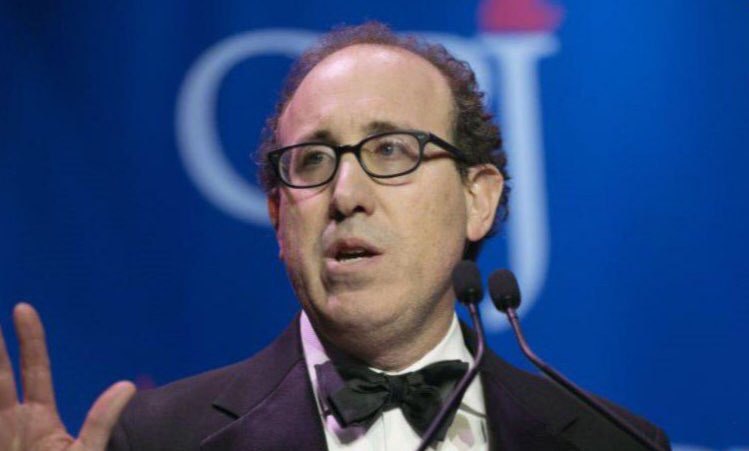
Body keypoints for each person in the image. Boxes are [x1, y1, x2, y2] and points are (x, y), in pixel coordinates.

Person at [0, 22, 670, 450]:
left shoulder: (612, 442)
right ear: (277, 215)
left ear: (478, 199)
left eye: (391, 150)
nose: (346, 194)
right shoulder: (160, 439)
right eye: (313, 161)